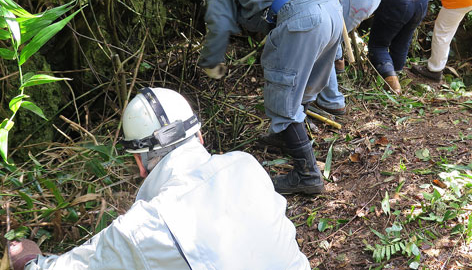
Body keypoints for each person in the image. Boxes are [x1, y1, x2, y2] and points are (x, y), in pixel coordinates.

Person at [8, 87, 310, 269]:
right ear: (200, 137)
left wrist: (29, 259)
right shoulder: (246, 166)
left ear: (139, 163)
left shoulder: (146, 225)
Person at [199, 0, 343, 195]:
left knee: (282, 98)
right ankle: (284, 137)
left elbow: (218, 23)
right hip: (332, 9)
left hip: (303, 18)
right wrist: (337, 54)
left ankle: (307, 174)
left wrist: (212, 63)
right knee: (301, 89)